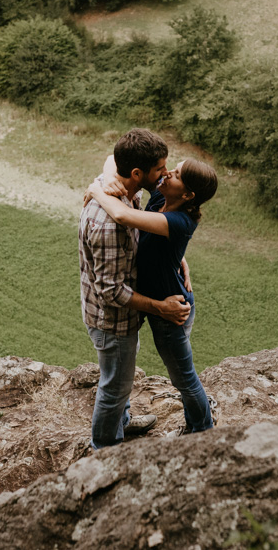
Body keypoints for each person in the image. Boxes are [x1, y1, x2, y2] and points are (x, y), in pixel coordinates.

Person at [87, 155, 218, 435]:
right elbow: (114, 158)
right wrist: (108, 178)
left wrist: (97, 190)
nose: (168, 173)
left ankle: (201, 431)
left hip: (170, 310)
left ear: (187, 194)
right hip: (161, 302)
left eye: (177, 174)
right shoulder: (162, 197)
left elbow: (122, 215)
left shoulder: (179, 220)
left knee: (183, 378)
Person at [79, 128, 191, 450]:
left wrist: (177, 259)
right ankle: (105, 448)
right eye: (160, 170)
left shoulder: (124, 187)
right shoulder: (109, 224)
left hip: (123, 319)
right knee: (114, 385)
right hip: (111, 320)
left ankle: (122, 422)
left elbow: (111, 162)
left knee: (121, 374)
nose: (165, 174)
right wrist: (161, 306)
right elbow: (111, 293)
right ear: (138, 173)